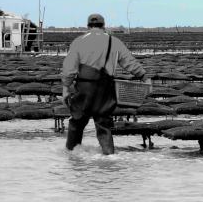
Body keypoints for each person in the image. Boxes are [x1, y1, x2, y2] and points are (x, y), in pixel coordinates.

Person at [60, 13, 149, 154]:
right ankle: (109, 157)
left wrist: (65, 88)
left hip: (83, 90)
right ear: (104, 26)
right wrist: (144, 77)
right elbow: (129, 62)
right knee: (103, 125)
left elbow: (69, 69)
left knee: (76, 123)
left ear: (88, 26)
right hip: (105, 90)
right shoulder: (114, 42)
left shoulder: (78, 41)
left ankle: (71, 156)